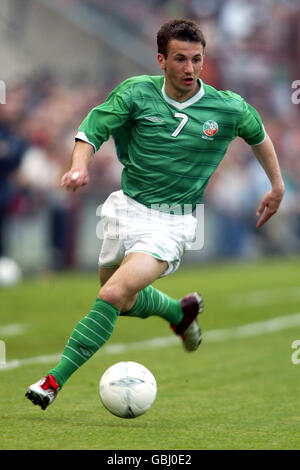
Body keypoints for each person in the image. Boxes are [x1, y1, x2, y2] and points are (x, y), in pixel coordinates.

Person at [25, 19, 285, 410]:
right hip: (125, 210)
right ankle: (177, 312)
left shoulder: (227, 107)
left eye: (197, 59)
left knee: (112, 294)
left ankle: (53, 380)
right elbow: (92, 128)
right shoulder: (136, 94)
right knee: (124, 302)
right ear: (161, 60)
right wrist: (80, 165)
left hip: (173, 222)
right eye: (180, 59)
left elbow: (259, 135)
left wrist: (277, 185)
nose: (190, 68)